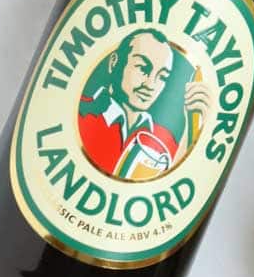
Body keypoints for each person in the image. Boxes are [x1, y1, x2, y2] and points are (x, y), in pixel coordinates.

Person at [77, 29, 210, 179]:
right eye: (142, 68)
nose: (150, 84)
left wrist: (195, 129)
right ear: (114, 62)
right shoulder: (81, 112)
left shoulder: (164, 142)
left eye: (162, 77)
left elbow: (174, 181)